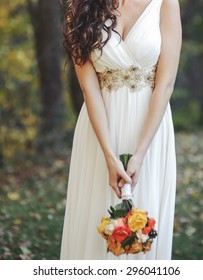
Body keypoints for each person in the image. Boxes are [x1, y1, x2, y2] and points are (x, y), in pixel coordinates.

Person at [60, 0, 182, 260]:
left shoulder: (166, 3)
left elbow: (166, 82)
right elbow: (88, 87)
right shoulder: (80, 8)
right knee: (94, 218)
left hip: (150, 129)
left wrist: (139, 153)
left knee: (145, 218)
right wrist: (108, 153)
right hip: (100, 130)